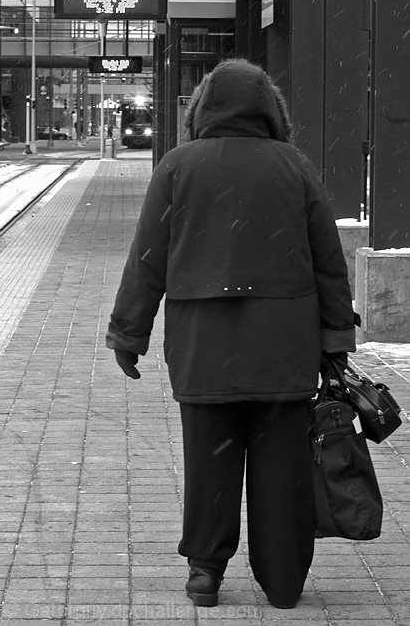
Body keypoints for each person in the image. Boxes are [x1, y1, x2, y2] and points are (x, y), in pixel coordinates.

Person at [106, 59, 357, 609]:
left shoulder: (178, 167)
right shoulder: (293, 164)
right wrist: (336, 337)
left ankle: (205, 571)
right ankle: (283, 576)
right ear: (271, 110)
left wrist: (129, 333)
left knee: (209, 463)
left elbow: (147, 260)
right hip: (284, 348)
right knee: (281, 468)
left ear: (201, 112)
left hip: (203, 347)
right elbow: (328, 262)